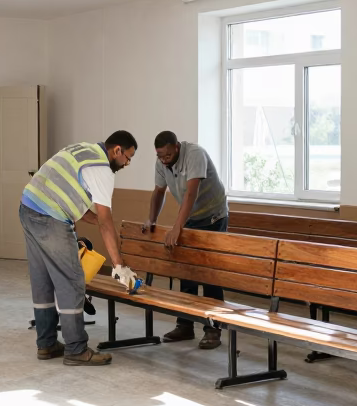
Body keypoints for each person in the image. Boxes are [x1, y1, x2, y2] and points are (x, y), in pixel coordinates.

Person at [20, 131, 138, 367]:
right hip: (50, 217)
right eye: (128, 157)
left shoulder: (83, 150)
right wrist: (119, 266)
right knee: (73, 281)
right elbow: (105, 221)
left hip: (28, 208)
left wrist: (100, 224)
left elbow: (75, 203)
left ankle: (46, 344)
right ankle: (76, 349)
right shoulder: (102, 169)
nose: (127, 163)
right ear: (117, 150)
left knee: (42, 281)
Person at [143, 131, 229, 349]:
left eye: (168, 155)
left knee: (210, 274)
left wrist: (176, 227)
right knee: (186, 272)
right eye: (160, 156)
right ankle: (185, 324)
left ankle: (213, 328)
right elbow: (159, 192)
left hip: (213, 216)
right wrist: (151, 219)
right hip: (191, 217)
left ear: (177, 147)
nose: (164, 160)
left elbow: (191, 194)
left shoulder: (195, 154)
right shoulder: (160, 162)